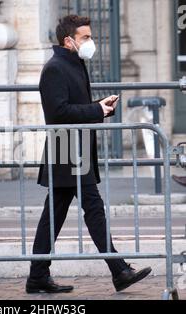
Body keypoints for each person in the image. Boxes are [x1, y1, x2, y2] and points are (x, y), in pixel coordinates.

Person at [26, 15, 152, 294]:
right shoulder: (55, 68)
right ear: (68, 40)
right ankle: (119, 270)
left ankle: (37, 276)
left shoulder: (73, 64)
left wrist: (100, 105)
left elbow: (73, 107)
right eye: (85, 37)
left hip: (75, 149)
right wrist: (96, 110)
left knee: (55, 216)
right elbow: (58, 112)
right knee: (92, 210)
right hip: (66, 150)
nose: (90, 42)